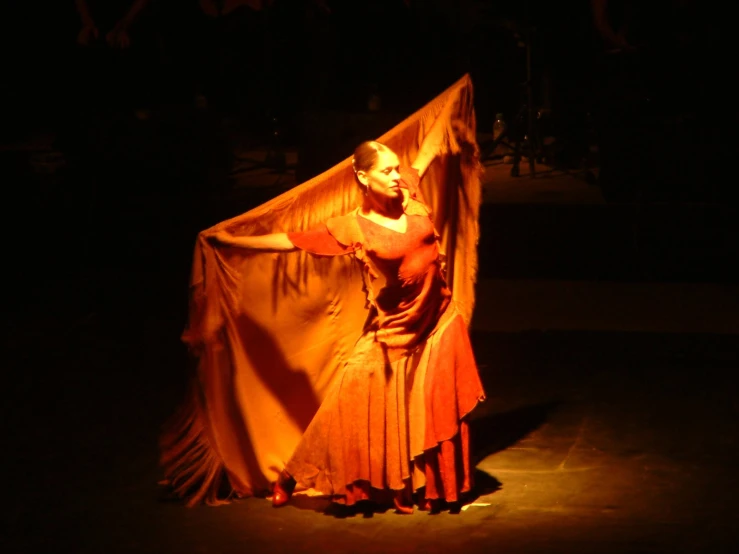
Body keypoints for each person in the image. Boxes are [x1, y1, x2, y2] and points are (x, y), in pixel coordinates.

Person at [159, 74, 483, 512]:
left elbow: (424, 153)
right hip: (394, 329)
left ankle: (437, 484)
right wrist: (231, 240)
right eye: (385, 170)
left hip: (438, 320)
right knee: (348, 398)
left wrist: (454, 100)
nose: (396, 175)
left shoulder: (408, 190)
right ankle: (291, 474)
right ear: (363, 177)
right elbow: (291, 240)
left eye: (395, 168)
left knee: (433, 404)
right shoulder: (352, 226)